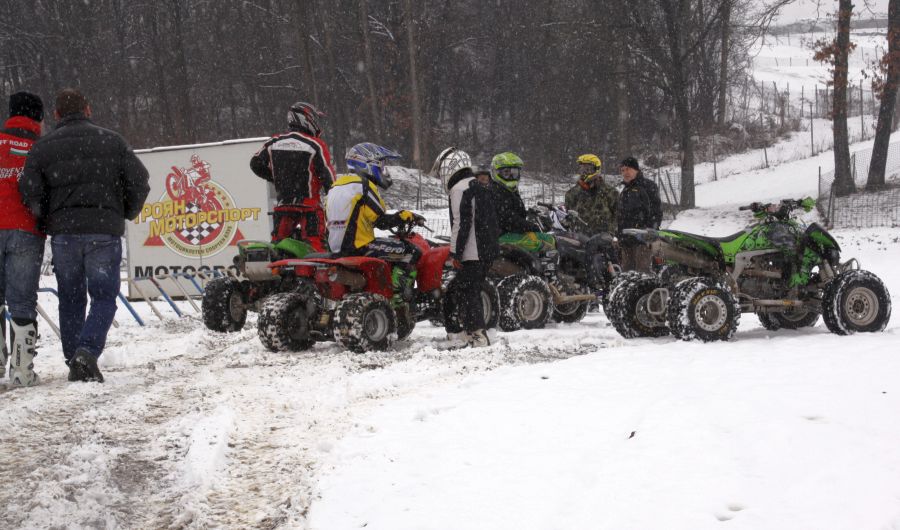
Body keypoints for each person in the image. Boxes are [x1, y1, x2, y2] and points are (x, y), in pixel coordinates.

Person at [19, 88, 150, 383]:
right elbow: (140, 181)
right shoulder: (112, 141)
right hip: (103, 230)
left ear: (56, 115)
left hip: (64, 233)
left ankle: (74, 356)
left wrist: (47, 216)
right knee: (104, 297)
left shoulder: (43, 148)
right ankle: (86, 352)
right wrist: (124, 212)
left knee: (71, 298)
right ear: (88, 110)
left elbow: (29, 190)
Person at [325, 142, 423, 302]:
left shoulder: (335, 187)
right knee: (412, 251)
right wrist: (405, 215)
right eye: (381, 166)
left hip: (336, 249)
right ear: (368, 165)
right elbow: (381, 221)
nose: (383, 171)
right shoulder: (363, 186)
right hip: (360, 247)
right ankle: (397, 297)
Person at [1, 91, 45, 387]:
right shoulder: (40, 148)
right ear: (37, 117)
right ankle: (21, 371)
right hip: (26, 228)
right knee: (22, 301)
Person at [434, 150, 499, 347]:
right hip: (486, 248)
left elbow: (461, 223)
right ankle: (460, 331)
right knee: (462, 289)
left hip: (472, 251)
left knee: (467, 291)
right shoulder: (478, 185)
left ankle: (476, 334)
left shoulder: (460, 188)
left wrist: (455, 252)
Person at [250, 101, 335, 251]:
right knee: (316, 246)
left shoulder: (274, 141)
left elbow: (255, 163)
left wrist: (274, 177)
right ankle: (315, 273)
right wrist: (333, 196)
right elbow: (329, 178)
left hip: (283, 205)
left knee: (278, 246)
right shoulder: (315, 144)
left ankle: (278, 272)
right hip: (309, 206)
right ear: (307, 119)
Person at [616, 156, 662, 273]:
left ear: (636, 170)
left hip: (643, 240)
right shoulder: (624, 191)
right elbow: (620, 216)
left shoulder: (648, 186)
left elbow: (657, 211)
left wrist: (651, 230)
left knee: (642, 273)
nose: (625, 173)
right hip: (626, 241)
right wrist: (619, 235)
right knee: (627, 274)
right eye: (622, 170)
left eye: (628, 169)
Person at [564, 154, 618, 236]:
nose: (584, 172)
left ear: (596, 168)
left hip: (604, 242)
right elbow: (569, 216)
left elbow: (619, 217)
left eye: (587, 168)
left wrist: (612, 234)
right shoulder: (572, 193)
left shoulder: (610, 192)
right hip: (579, 241)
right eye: (581, 168)